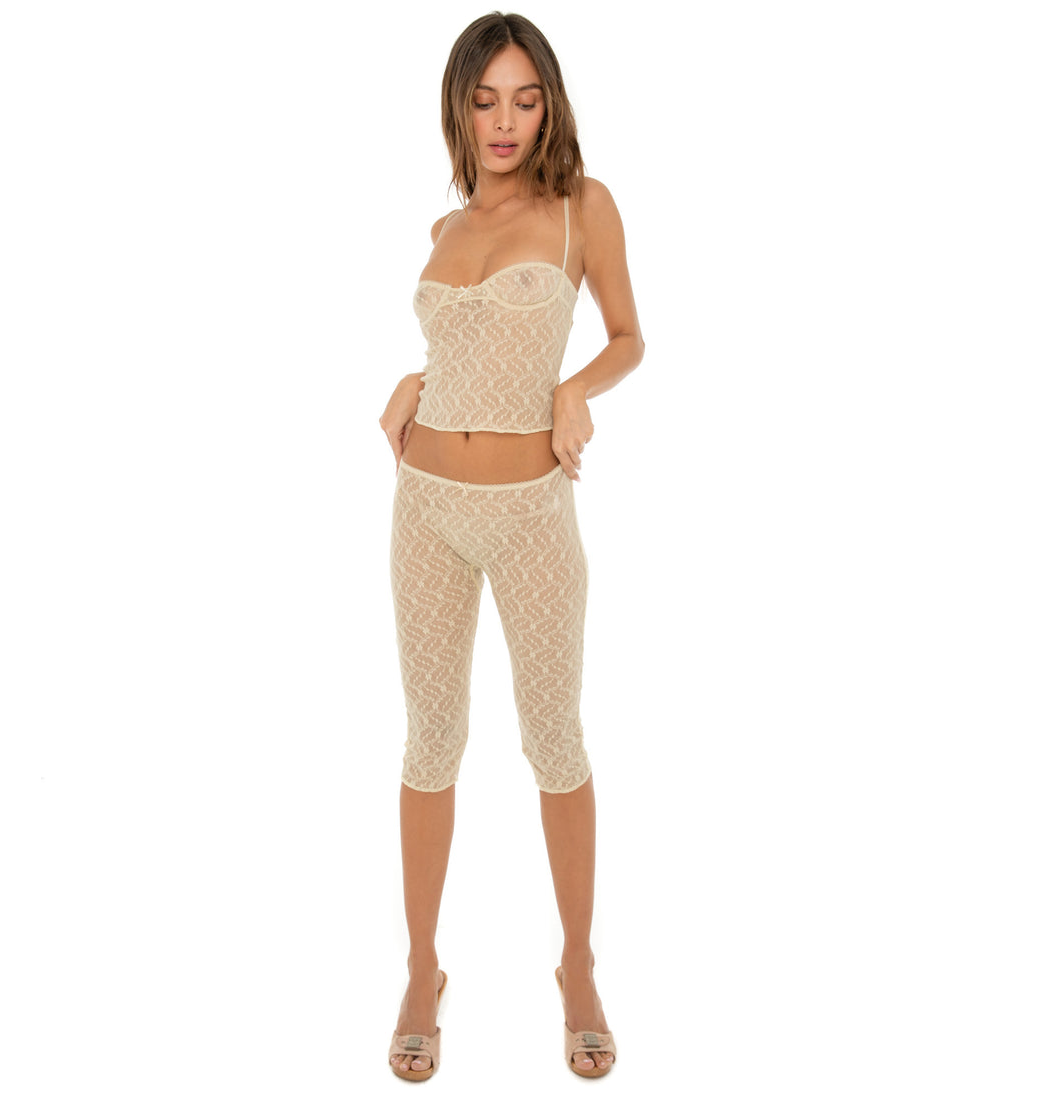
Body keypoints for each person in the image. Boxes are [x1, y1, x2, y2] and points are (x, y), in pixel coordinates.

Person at [379, 11, 643, 1080]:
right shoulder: (445, 226)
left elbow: (628, 336)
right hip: (424, 506)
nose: (504, 120)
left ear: (549, 107)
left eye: (524, 100)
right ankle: (420, 968)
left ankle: (577, 965)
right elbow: (458, 344)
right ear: (458, 106)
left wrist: (574, 390)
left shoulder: (582, 208)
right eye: (484, 99)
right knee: (429, 739)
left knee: (554, 739)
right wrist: (411, 383)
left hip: (532, 513)